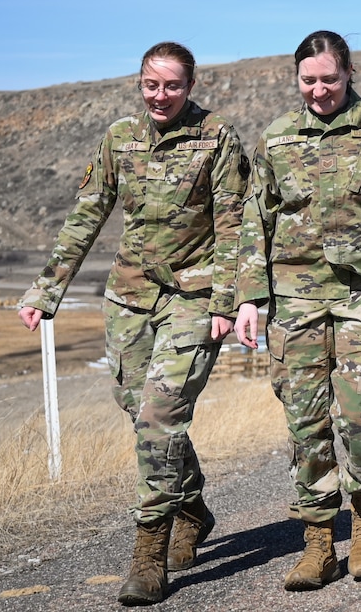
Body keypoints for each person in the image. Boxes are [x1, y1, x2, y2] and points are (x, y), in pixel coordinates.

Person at [18, 41, 248, 606]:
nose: (161, 95)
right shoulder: (120, 138)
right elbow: (88, 212)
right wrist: (47, 288)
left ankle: (148, 552)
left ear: (190, 86)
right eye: (151, 84)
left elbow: (234, 225)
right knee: (137, 410)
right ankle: (191, 507)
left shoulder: (217, 138)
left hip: (192, 299)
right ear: (138, 84)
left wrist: (225, 302)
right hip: (128, 298)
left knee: (158, 416)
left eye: (172, 85)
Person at [233, 30, 361, 590]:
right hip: (295, 295)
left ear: (349, 74)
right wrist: (249, 297)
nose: (319, 90)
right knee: (304, 418)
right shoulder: (276, 138)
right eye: (308, 79)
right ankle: (319, 539)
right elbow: (256, 221)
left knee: (359, 410)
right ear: (296, 79)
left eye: (329, 78)